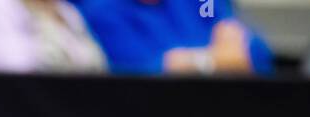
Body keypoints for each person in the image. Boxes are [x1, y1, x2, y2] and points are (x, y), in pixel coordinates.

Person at [73, 0, 272, 75]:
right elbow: (145, 74)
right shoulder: (101, 11)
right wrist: (212, 59)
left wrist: (188, 62)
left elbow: (257, 52)